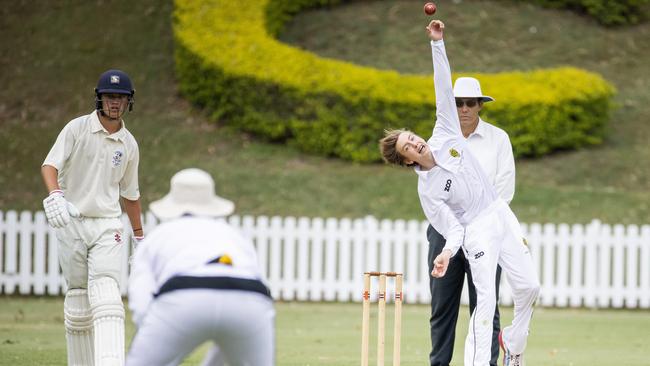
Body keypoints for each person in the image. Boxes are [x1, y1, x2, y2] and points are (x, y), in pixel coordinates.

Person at [379, 20, 540, 366]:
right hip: (475, 228)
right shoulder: (428, 191)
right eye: (409, 145)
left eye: (411, 135)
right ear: (407, 161)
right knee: (483, 304)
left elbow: (441, 86)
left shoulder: (444, 131)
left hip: (500, 212)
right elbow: (451, 226)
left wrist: (438, 44)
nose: (416, 141)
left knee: (529, 288)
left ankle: (513, 341)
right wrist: (447, 252)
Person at [41, 69, 143, 365]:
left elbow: (131, 194)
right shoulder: (76, 129)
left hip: (107, 224)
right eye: (110, 97)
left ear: (128, 103)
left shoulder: (129, 144)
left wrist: (139, 237)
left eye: (120, 99)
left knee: (108, 295)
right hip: (72, 219)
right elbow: (50, 166)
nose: (115, 103)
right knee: (78, 297)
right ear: (100, 99)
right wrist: (56, 195)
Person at [126, 168, 275, 366]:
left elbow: (141, 301)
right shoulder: (235, 236)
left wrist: (154, 335)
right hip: (250, 299)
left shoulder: (158, 236)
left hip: (183, 296)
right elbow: (258, 284)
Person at [427, 75, 515, 365]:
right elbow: (433, 190)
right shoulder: (438, 142)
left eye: (469, 103)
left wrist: (478, 225)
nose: (463, 109)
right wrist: (455, 229)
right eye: (458, 103)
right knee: (442, 307)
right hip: (445, 234)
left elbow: (504, 191)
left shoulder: (498, 139)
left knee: (486, 306)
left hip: (488, 234)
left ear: (480, 105)